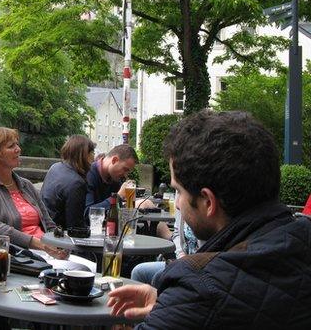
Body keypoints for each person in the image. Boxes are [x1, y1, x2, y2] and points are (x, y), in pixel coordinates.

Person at [107, 110, 311, 328]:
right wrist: (167, 306)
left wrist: (175, 308)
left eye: (179, 192)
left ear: (208, 202)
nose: (176, 203)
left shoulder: (197, 289)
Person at [0, 127, 67, 259]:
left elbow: (49, 223)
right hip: (19, 256)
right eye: (11, 146)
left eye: (17, 144)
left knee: (87, 270)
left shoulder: (26, 185)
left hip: (47, 252)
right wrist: (42, 245)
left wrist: (60, 243)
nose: (18, 149)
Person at [130, 203, 202, 285]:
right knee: (139, 271)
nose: (177, 202)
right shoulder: (180, 203)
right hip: (182, 260)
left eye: (180, 192)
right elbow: (177, 232)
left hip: (199, 266)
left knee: (158, 277)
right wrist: (180, 254)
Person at [41, 135, 96, 228]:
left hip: (44, 225)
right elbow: (75, 226)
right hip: (58, 234)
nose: (94, 157)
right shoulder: (76, 183)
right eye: (92, 152)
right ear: (85, 155)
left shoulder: (55, 167)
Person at [84, 144, 139, 214]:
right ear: (114, 160)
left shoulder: (114, 178)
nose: (125, 175)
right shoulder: (88, 175)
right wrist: (118, 197)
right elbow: (87, 213)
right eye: (125, 169)